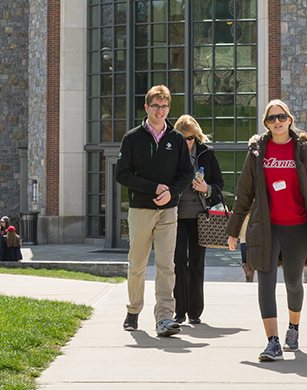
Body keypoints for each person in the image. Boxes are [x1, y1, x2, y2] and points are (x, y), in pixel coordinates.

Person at [226, 99, 307, 361]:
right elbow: (244, 193)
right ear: (266, 123)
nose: (277, 122)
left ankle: (293, 330)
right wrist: (233, 229)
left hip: (297, 228)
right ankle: (272, 342)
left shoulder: (305, 151)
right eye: (272, 118)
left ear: (289, 119)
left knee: (294, 282)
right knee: (265, 282)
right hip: (267, 227)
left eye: (281, 117)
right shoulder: (256, 152)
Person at [115, 85, 194, 337]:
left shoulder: (177, 139)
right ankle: (133, 311)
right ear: (147, 107)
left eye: (164, 106)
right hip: (140, 210)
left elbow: (186, 173)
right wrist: (153, 188)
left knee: (166, 265)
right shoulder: (132, 138)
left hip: (168, 212)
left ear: (169, 109)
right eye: (155, 106)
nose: (160, 110)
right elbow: (122, 174)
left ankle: (164, 318)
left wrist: (172, 192)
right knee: (137, 264)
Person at [172, 114, 224, 325]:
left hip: (200, 217)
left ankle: (195, 311)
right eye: (183, 138)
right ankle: (179, 311)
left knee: (196, 263)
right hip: (175, 216)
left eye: (191, 137)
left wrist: (207, 188)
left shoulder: (206, 153)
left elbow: (219, 183)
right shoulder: (171, 153)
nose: (187, 141)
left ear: (197, 136)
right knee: (178, 262)